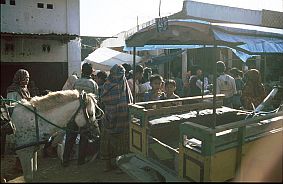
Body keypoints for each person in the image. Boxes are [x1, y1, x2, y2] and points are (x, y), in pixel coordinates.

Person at [62, 63, 99, 167]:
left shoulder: (76, 82)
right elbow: (96, 101)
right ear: (91, 72)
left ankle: (65, 161)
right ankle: (80, 161)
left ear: (82, 71)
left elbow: (73, 96)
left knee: (70, 137)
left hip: (73, 114)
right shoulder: (93, 84)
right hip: (85, 116)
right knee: (84, 138)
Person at [100, 64, 133, 171]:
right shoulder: (124, 84)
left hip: (109, 117)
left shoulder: (107, 84)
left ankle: (107, 165)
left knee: (107, 141)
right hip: (122, 118)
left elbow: (103, 99)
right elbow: (130, 100)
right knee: (122, 142)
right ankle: (120, 167)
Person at [5, 69, 31, 173]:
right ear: (19, 78)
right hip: (16, 120)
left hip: (25, 119)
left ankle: (20, 164)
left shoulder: (24, 89)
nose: (27, 80)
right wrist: (24, 103)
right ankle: (17, 165)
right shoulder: (12, 90)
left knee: (24, 141)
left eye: (28, 78)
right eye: (25, 78)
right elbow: (10, 106)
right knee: (18, 142)